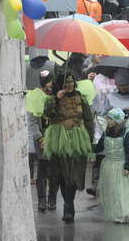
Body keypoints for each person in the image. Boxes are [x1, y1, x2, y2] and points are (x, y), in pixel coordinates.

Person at [43, 72, 93, 222]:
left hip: (79, 140)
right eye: (66, 83)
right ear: (60, 85)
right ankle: (68, 206)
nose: (70, 85)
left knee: (74, 174)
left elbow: (89, 120)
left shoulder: (82, 99)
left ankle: (68, 206)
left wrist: (91, 141)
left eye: (72, 82)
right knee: (63, 175)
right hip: (59, 140)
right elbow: (46, 115)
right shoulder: (52, 99)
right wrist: (56, 100)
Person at [94, 108, 129, 224]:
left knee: (123, 190)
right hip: (109, 165)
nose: (107, 121)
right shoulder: (106, 133)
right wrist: (89, 148)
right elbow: (100, 147)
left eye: (110, 119)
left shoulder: (125, 135)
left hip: (121, 165)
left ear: (117, 121)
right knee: (112, 190)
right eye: (107, 118)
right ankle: (116, 212)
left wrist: (128, 166)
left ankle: (125, 213)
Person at [27, 70, 56, 213]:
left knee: (54, 170)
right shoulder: (36, 97)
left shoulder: (56, 97)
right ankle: (42, 200)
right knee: (42, 170)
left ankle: (52, 199)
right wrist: (40, 138)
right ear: (45, 83)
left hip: (55, 137)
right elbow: (32, 122)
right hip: (42, 138)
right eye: (50, 81)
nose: (52, 84)